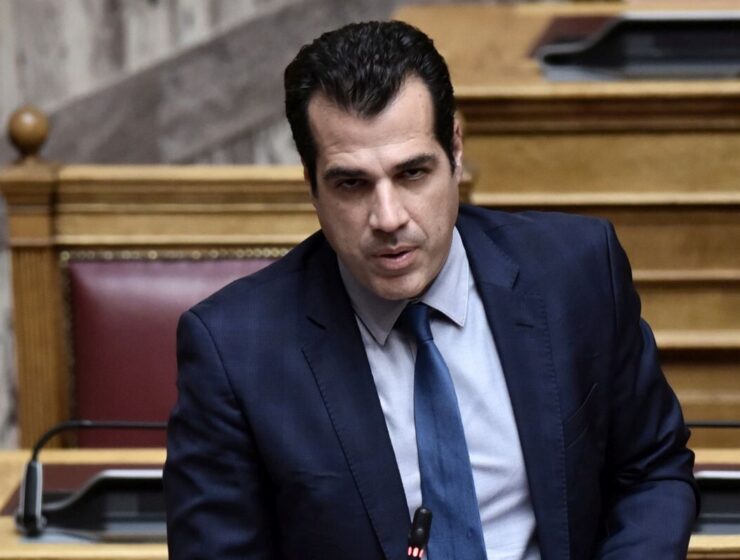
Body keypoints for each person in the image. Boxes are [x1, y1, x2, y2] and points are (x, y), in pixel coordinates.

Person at [164, 20, 698, 560]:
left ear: (455, 152)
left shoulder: (574, 272)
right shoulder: (235, 352)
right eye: (351, 184)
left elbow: (652, 472)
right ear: (311, 183)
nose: (388, 218)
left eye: (413, 174)